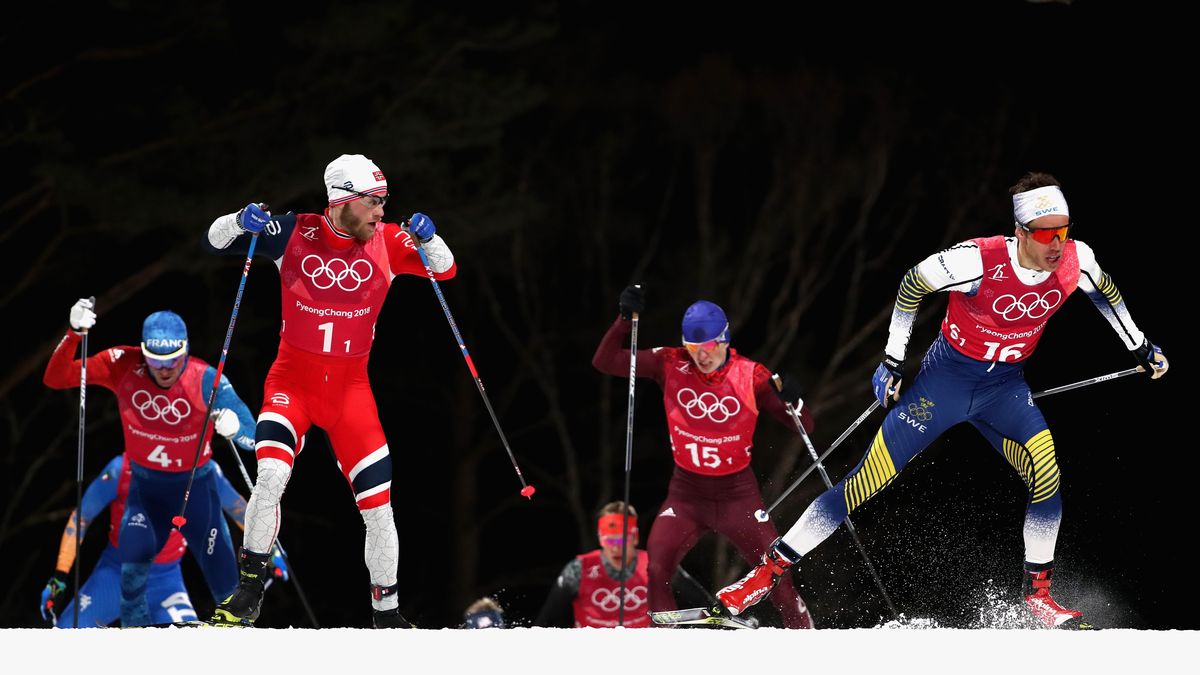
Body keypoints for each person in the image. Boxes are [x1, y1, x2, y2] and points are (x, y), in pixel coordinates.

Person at [715, 171, 1169, 629]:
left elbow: (1106, 292)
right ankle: (766, 574)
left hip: (1003, 390)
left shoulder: (1076, 260)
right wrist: (892, 361)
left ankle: (1040, 597)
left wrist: (1140, 347)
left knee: (1047, 473)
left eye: (1064, 231)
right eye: (1047, 234)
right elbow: (913, 284)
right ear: (1021, 232)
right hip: (943, 387)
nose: (1057, 244)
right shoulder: (977, 260)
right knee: (861, 486)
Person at [203, 153, 457, 628]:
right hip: (292, 384)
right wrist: (239, 219)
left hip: (350, 393)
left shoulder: (389, 241)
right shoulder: (292, 232)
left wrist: (428, 237)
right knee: (270, 478)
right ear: (345, 199)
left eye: (385, 201)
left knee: (379, 507)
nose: (383, 210)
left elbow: (445, 270)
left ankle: (387, 614)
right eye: (375, 201)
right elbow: (215, 243)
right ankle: (249, 592)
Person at [592, 293, 816, 629]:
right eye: (694, 349)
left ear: (724, 340)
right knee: (656, 567)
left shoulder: (750, 375)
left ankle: (805, 636)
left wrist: (794, 401)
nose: (702, 356)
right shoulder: (670, 362)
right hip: (686, 495)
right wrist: (624, 320)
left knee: (776, 575)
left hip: (737, 496)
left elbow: (805, 427)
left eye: (710, 346)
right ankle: (664, 647)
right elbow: (605, 361)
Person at [43, 305, 258, 626]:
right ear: (143, 352)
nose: (165, 369)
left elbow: (254, 436)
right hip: (144, 489)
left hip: (195, 488)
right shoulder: (123, 364)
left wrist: (236, 428)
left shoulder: (204, 379)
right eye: (156, 360)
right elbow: (57, 378)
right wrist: (74, 335)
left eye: (173, 358)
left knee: (228, 587)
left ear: (186, 350)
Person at [38, 453, 282, 627]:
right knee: (64, 641)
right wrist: (60, 576)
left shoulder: (203, 471)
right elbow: (82, 517)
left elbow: (240, 510)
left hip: (166, 581)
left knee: (195, 652)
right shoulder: (122, 468)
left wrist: (268, 552)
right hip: (115, 575)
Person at [535, 501, 719, 628]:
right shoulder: (578, 569)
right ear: (600, 539)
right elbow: (547, 620)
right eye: (610, 540)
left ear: (635, 538)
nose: (616, 548)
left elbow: (703, 604)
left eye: (622, 540)